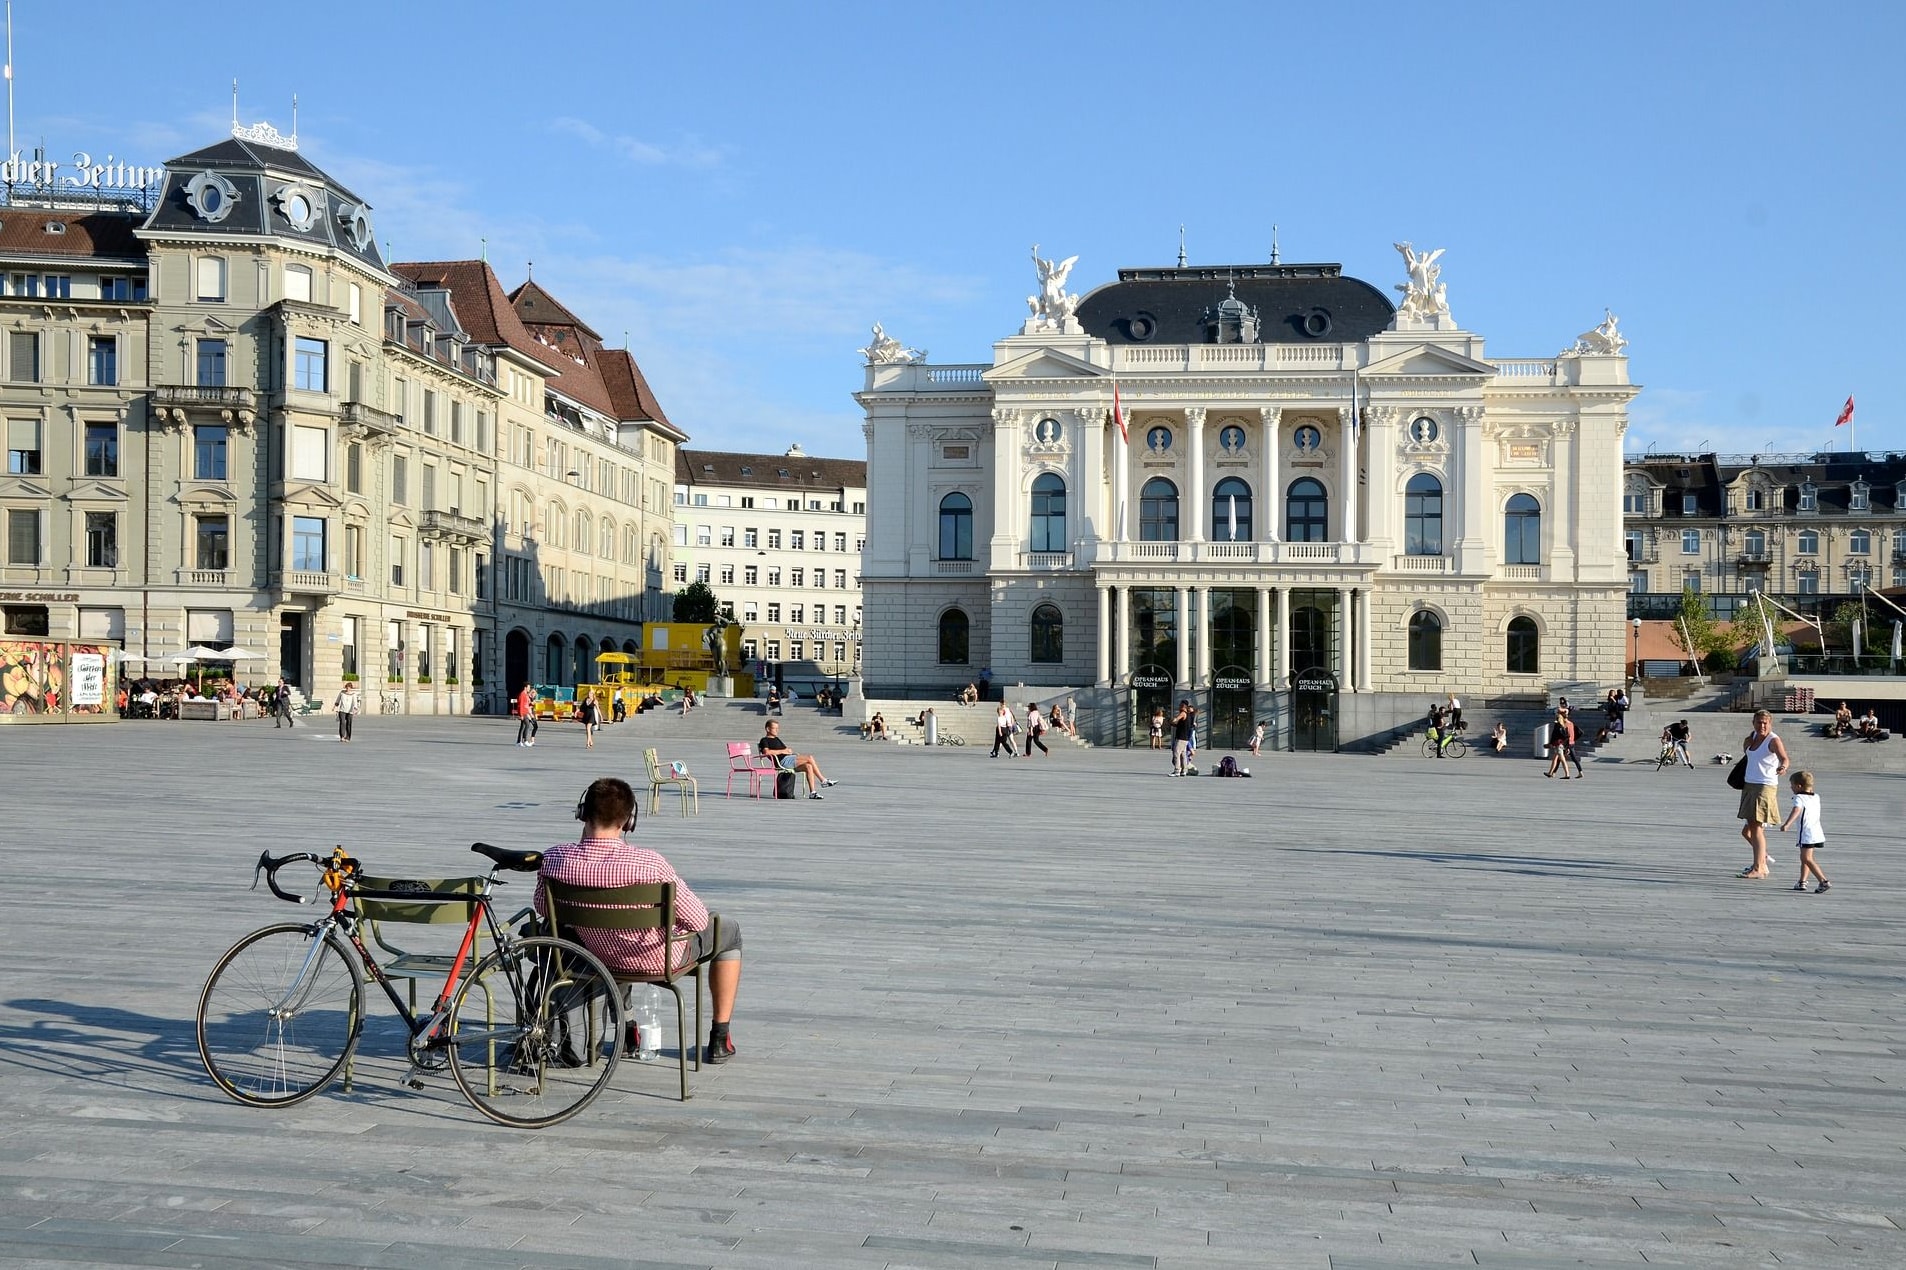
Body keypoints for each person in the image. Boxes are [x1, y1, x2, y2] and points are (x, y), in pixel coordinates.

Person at [535, 777, 744, 1065]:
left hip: (599, 955)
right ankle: (720, 1037)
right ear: (629, 822)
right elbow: (697, 920)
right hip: (660, 959)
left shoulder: (555, 859)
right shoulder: (650, 863)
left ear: (582, 813)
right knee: (729, 930)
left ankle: (628, 1027)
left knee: (608, 934)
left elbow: (543, 907)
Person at [1737, 709, 1789, 879]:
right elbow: (1748, 753)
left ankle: (1759, 867)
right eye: (1759, 722)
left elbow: (1784, 758)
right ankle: (1762, 862)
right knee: (1749, 830)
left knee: (1756, 828)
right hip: (1750, 785)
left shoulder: (1773, 740)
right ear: (1753, 723)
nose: (1762, 726)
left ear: (1770, 724)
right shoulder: (1750, 738)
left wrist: (1783, 767)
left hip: (1764, 786)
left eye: (1765, 723)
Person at [757, 719, 836, 798]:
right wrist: (783, 751)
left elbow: (786, 750)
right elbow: (767, 752)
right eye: (775, 728)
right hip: (782, 762)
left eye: (778, 728)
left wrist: (791, 752)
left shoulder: (777, 739)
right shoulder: (764, 740)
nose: (777, 730)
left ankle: (813, 792)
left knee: (808, 766)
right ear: (768, 729)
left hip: (788, 759)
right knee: (809, 757)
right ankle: (823, 780)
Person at [1780, 771, 1830, 894]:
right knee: (1806, 857)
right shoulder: (1816, 796)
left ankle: (1823, 881)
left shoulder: (1799, 798)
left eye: (1792, 785)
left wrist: (1787, 824)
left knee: (1806, 858)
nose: (1790, 787)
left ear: (1799, 786)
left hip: (1806, 833)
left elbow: (1797, 810)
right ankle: (1802, 881)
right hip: (1816, 831)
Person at [1169, 701, 1195, 776]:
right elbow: (1182, 726)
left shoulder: (1183, 713)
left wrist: (1172, 720)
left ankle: (1177, 770)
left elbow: (1176, 719)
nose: (1179, 707)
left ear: (1183, 706)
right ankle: (1184, 770)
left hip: (1180, 738)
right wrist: (1173, 724)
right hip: (1186, 738)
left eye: (1180, 705)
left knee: (1176, 753)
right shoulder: (1189, 715)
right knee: (1183, 755)